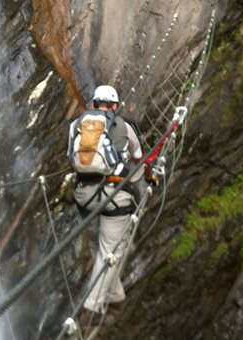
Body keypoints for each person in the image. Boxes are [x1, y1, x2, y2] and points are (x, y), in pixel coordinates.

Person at [66, 85, 144, 324]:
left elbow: (71, 157)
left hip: (84, 197)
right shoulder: (124, 126)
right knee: (109, 252)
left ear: (92, 105)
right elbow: (138, 157)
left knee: (98, 247)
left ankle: (116, 298)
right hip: (114, 197)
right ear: (115, 107)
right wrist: (140, 186)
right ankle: (91, 306)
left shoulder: (75, 126)